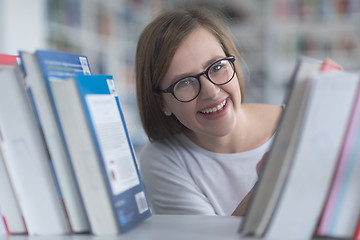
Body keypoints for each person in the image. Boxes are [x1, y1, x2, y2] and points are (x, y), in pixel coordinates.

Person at [135, 7, 282, 216]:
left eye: (216, 67)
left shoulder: (299, 121)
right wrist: (267, 188)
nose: (211, 92)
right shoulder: (164, 160)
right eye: (184, 82)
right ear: (161, 103)